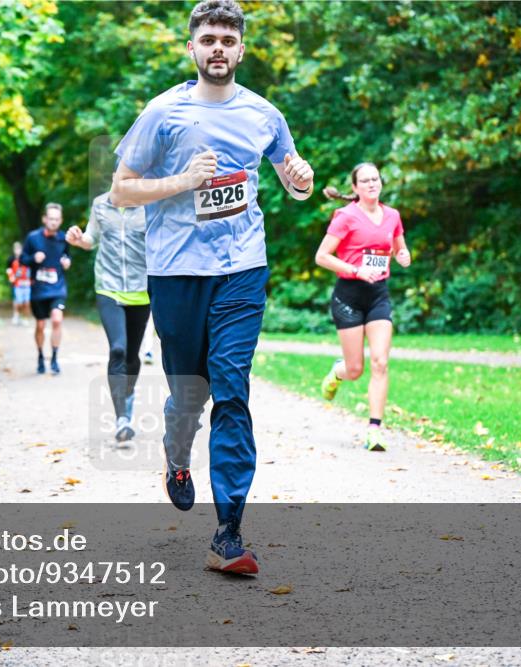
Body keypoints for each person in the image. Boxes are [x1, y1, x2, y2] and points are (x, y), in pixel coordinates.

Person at [109, 0, 315, 575]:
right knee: (189, 395)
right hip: (175, 273)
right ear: (192, 48)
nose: (218, 47)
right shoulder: (162, 112)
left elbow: (292, 179)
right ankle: (177, 459)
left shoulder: (264, 115)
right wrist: (183, 180)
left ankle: (229, 532)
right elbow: (122, 190)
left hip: (243, 270)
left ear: (241, 49)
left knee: (231, 389)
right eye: (209, 39)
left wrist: (302, 180)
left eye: (228, 38)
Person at [315, 163, 411, 452]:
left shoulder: (392, 215)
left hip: (378, 294)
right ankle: (338, 371)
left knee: (380, 362)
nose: (372, 184)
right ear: (355, 188)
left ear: (381, 183)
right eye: (365, 180)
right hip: (349, 296)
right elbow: (322, 256)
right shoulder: (345, 217)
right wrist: (355, 271)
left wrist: (404, 254)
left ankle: (375, 430)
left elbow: (398, 247)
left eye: (375, 179)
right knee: (356, 369)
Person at [67, 193, 149, 443]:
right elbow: (92, 238)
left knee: (133, 357)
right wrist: (80, 239)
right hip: (108, 286)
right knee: (117, 349)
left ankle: (127, 395)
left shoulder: (149, 202)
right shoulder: (100, 204)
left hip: (141, 290)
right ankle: (122, 419)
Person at [20, 203, 71, 375]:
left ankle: (55, 359)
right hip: (39, 289)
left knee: (57, 320)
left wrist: (67, 262)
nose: (54, 222)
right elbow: (22, 260)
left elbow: (67, 255)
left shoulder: (64, 238)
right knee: (40, 325)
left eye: (57, 219)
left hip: (57, 287)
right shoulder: (33, 238)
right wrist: (34, 258)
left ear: (60, 220)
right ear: (44, 219)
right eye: (51, 219)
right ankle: (41, 356)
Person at [6, 241, 32, 325]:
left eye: (19, 248)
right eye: (16, 248)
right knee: (18, 302)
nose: (17, 250)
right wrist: (11, 277)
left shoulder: (26, 258)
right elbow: (8, 270)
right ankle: (16, 315)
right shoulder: (11, 259)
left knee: (27, 303)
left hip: (27, 284)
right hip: (17, 284)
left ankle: (25, 318)